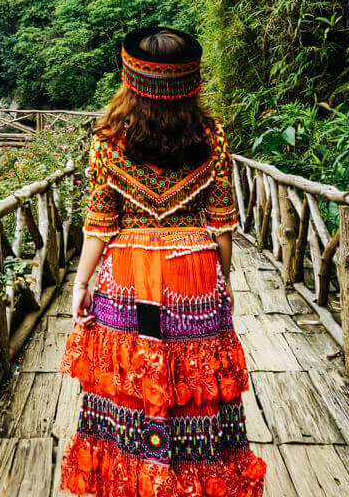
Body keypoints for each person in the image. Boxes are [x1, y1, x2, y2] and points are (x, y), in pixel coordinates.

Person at [59, 26, 266, 497]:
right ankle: (197, 476)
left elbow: (99, 225)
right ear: (190, 82)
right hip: (193, 273)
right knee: (196, 380)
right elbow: (222, 224)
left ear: (131, 82)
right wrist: (224, 278)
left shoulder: (108, 141)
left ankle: (134, 476)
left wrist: (81, 284)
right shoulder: (210, 138)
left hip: (129, 274)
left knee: (131, 380)